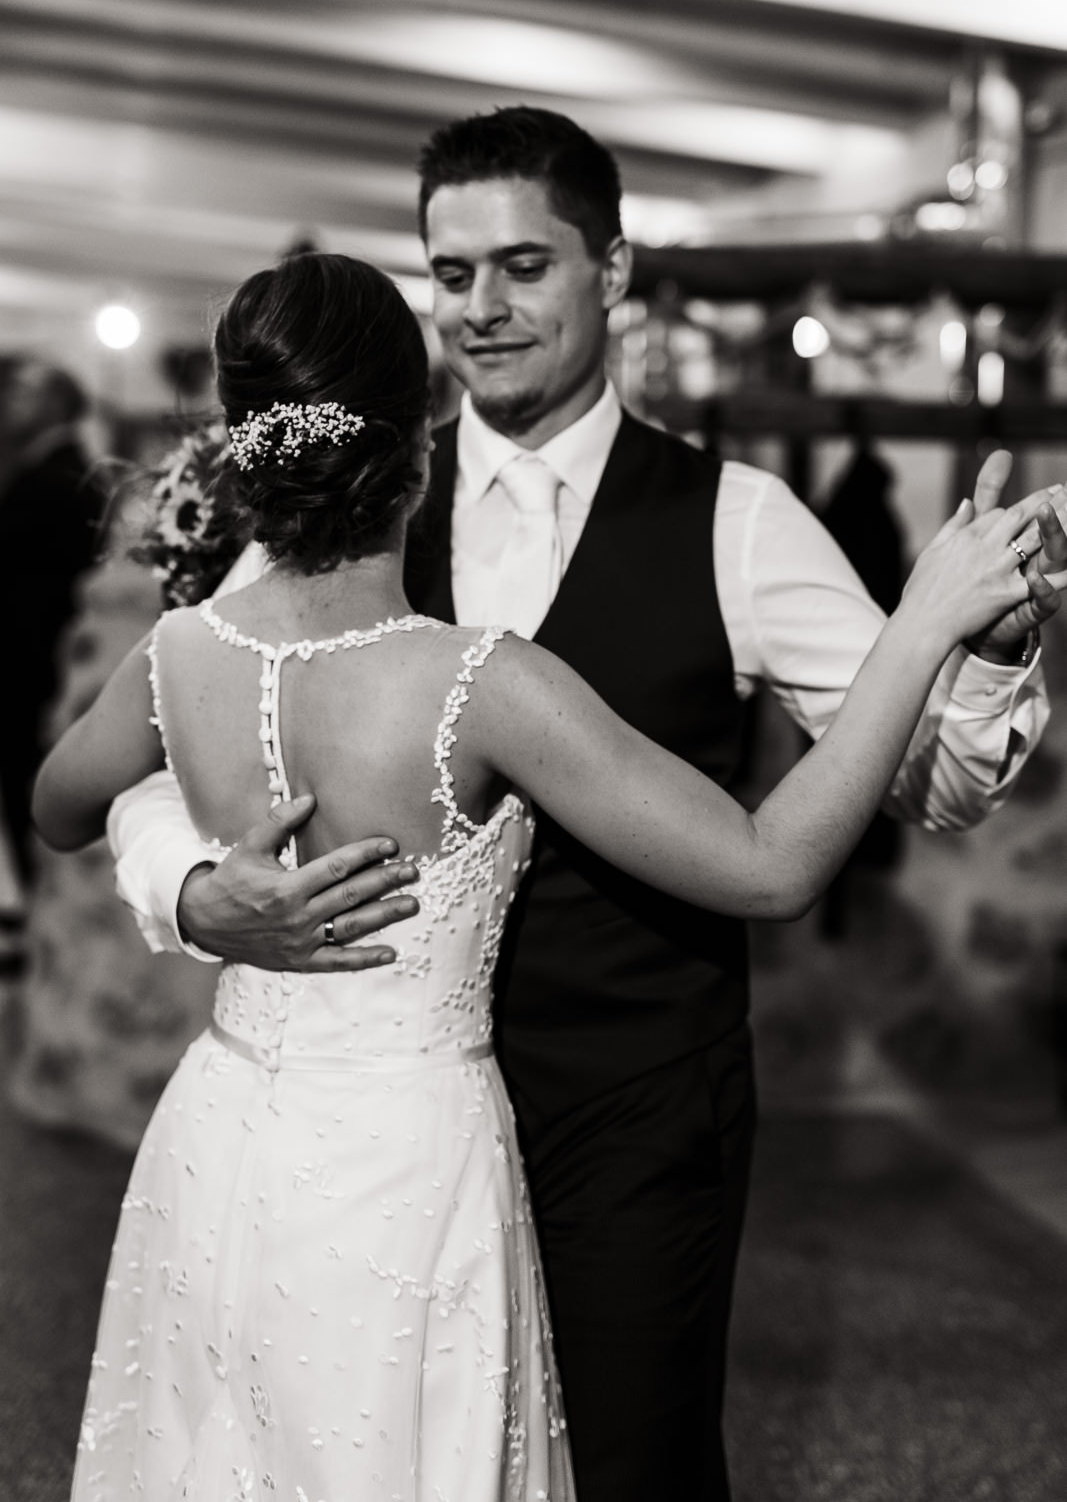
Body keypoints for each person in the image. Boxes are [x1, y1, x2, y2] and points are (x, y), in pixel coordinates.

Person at [105, 110, 1067, 1502]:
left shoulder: (737, 519)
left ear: (610, 272)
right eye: (451, 275)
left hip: (632, 1114)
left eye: (523, 266)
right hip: (391, 1141)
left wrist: (971, 646)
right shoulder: (345, 496)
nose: (480, 310)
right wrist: (197, 896)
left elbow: (934, 778)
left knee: (628, 1468)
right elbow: (173, 744)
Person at [0, 354, 103, 891]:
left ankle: (41, 903)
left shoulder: (56, 479)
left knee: (30, 790)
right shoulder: (54, 471)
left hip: (37, 665)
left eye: (17, 392)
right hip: (40, 660)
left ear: (55, 403)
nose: (5, 402)